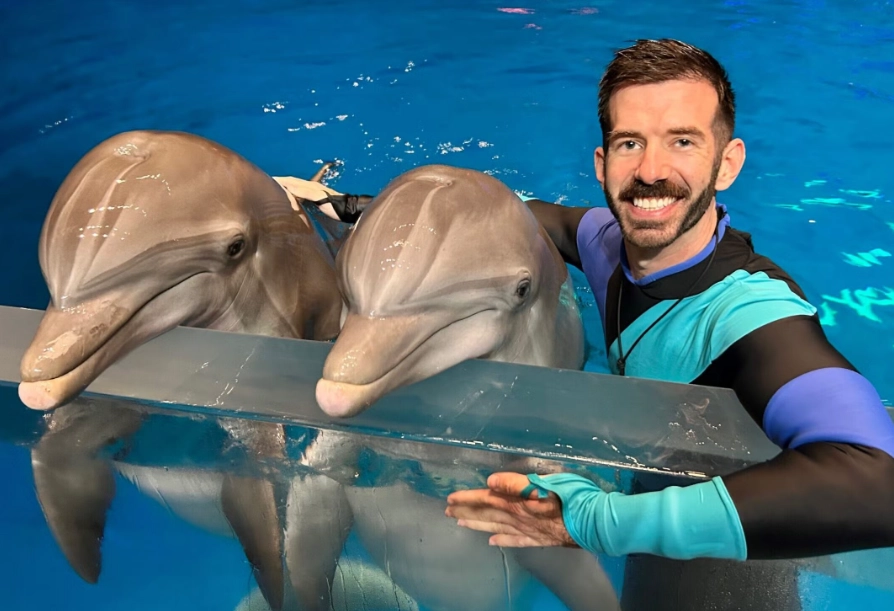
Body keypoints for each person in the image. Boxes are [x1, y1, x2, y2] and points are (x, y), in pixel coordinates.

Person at [287, 39, 894, 609]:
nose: (651, 170)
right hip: (650, 505)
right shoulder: (605, 240)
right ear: (603, 162)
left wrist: (598, 522)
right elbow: (506, 223)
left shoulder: (748, 315)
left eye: (682, 142)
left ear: (728, 162)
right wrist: (348, 208)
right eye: (631, 143)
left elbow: (878, 482)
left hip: (732, 546)